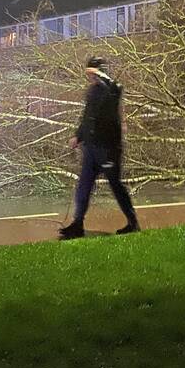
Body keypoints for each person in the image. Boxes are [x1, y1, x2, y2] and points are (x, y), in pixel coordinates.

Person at [59, 56, 140, 239]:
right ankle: (77, 224)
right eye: (88, 73)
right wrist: (78, 137)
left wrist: (102, 77)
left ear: (101, 72)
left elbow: (112, 95)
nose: (89, 77)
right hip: (92, 148)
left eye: (92, 73)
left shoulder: (112, 89)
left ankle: (133, 222)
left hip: (109, 148)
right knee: (84, 186)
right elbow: (87, 117)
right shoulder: (93, 91)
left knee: (116, 186)